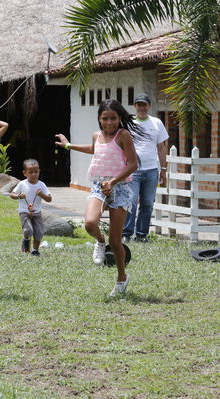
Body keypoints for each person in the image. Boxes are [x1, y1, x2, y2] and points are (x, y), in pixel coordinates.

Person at [55, 98, 147, 296]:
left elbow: (133, 164)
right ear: (99, 119)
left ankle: (122, 277)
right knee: (89, 223)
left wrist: (113, 182)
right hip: (98, 185)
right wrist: (68, 146)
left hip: (120, 188)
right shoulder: (97, 135)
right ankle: (99, 240)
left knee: (116, 242)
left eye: (113, 118)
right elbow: (94, 150)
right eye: (105, 118)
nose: (109, 123)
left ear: (119, 118)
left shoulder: (124, 136)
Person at [122, 93, 169, 243]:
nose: (142, 108)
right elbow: (121, 146)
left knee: (148, 203)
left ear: (149, 106)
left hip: (151, 169)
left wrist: (163, 169)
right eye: (139, 105)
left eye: (144, 105)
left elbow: (161, 147)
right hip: (132, 169)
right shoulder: (128, 123)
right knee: (132, 201)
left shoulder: (156, 123)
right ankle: (127, 233)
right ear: (134, 106)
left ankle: (142, 234)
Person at [9, 159, 52, 255]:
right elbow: (12, 194)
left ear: (39, 171)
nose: (34, 174)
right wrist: (19, 196)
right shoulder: (22, 184)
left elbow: (49, 199)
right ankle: (26, 239)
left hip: (37, 213)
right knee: (28, 230)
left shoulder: (41, 185)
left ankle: (35, 250)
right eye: (31, 172)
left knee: (39, 232)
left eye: (36, 172)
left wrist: (42, 194)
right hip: (24, 212)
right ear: (25, 173)